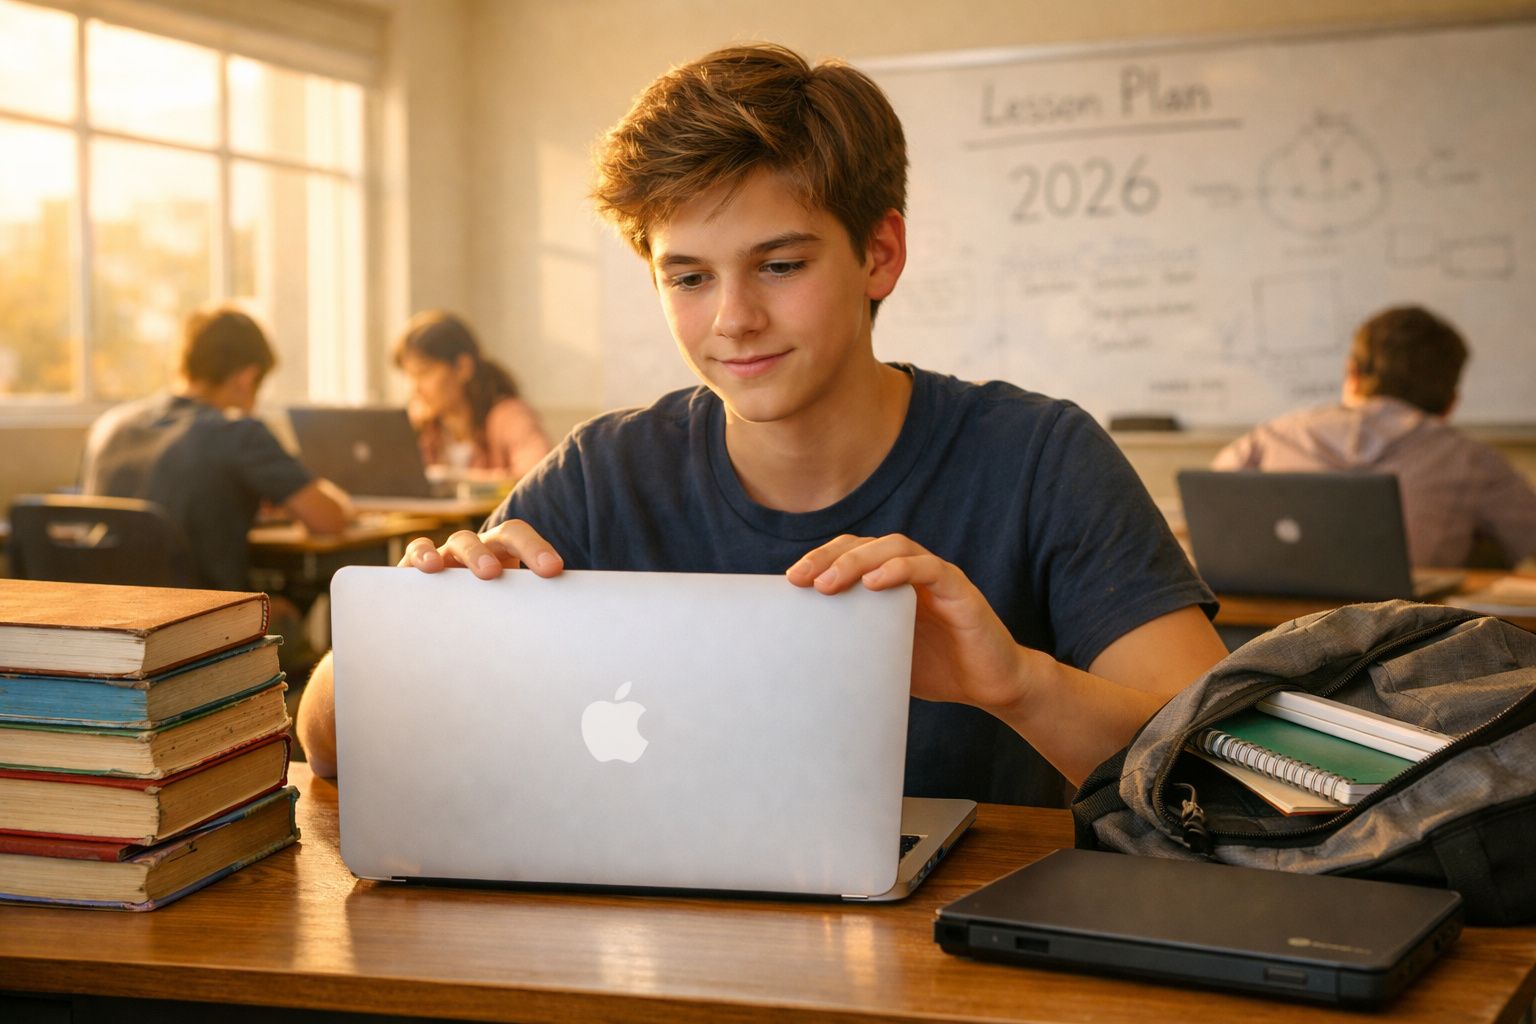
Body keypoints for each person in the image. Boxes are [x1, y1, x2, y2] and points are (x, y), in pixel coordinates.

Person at [298, 44, 1227, 799]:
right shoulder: (603, 473)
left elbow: (1227, 767)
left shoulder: (1039, 459)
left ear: (880, 253)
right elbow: (328, 746)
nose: (731, 319)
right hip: (651, 949)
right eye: (689, 277)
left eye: (780, 266)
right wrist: (418, 626)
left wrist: (1018, 685)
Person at [81, 306, 353, 662]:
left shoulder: (109, 427)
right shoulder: (238, 432)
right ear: (246, 377)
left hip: (109, 633)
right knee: (307, 596)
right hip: (205, 634)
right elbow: (329, 520)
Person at [1213, 305, 1536, 568]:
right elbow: (1528, 541)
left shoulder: (1270, 437)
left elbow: (1208, 512)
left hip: (1265, 630)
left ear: (1351, 374)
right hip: (1409, 635)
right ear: (1450, 402)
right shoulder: (1473, 460)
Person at [394, 310, 551, 480]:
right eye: (410, 376)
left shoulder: (508, 415)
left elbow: (540, 478)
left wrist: (450, 478)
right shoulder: (427, 429)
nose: (415, 388)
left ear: (462, 367)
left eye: (424, 373)